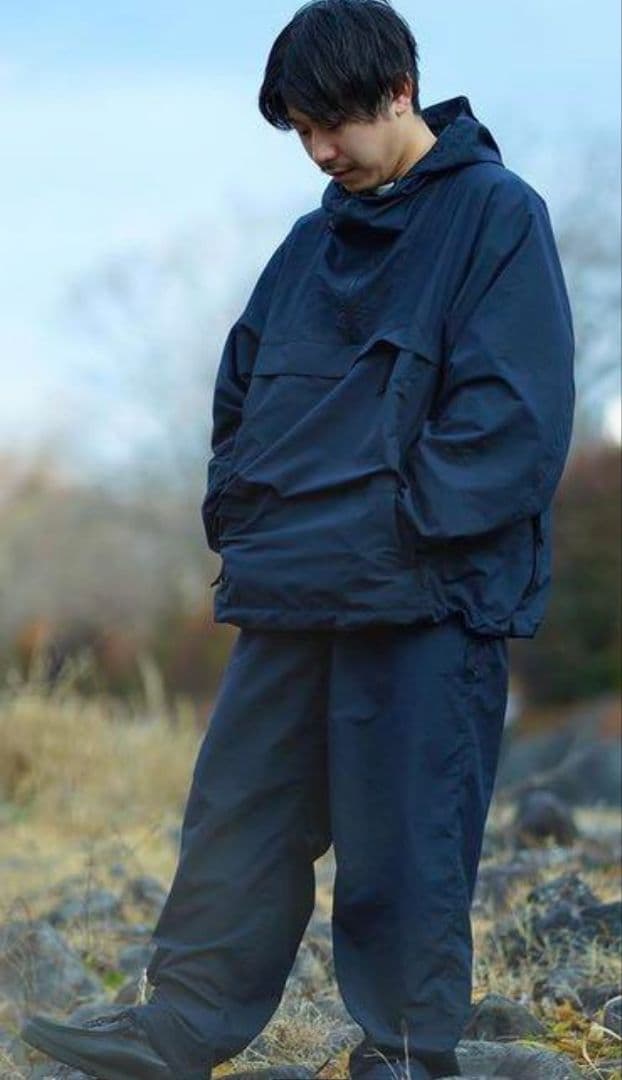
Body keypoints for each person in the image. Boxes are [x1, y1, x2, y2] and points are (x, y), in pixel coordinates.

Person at [21, 1, 575, 1078]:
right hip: (290, 585)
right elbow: (241, 395)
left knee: (405, 837)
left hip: (424, 594)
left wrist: (394, 528)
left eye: (333, 124)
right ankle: (179, 1028)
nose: (319, 151)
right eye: (301, 130)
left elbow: (513, 423)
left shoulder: (497, 216)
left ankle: (405, 1053)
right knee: (238, 814)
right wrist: (244, 521)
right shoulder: (308, 244)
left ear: (399, 91)